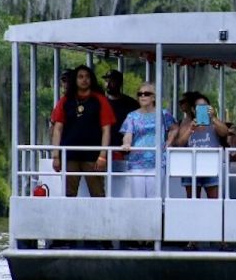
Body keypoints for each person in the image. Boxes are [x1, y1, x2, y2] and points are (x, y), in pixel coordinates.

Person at [50, 65, 115, 197]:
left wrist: (102, 155)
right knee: (69, 193)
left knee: (97, 193)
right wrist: (56, 155)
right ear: (75, 80)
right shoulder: (65, 101)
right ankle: (68, 218)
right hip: (70, 154)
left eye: (87, 77)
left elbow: (106, 129)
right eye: (80, 77)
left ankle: (100, 218)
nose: (84, 80)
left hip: (93, 155)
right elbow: (57, 129)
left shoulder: (99, 100)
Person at [119, 82, 178, 198]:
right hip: (136, 162)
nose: (142, 96)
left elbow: (174, 128)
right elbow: (128, 134)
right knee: (138, 198)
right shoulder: (132, 116)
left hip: (157, 161)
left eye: (146, 94)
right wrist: (126, 144)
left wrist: (169, 141)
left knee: (154, 198)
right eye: (140, 94)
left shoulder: (163, 114)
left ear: (153, 97)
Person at [175, 92, 228, 198]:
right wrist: (190, 130)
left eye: (205, 107)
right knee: (192, 199)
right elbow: (179, 144)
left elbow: (225, 132)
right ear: (194, 110)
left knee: (214, 199)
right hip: (191, 166)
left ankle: (214, 215)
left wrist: (213, 118)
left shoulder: (214, 124)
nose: (202, 109)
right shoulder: (186, 124)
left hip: (211, 165)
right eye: (199, 107)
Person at [103, 69, 139, 196]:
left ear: (119, 83)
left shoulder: (131, 104)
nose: (108, 84)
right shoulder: (101, 102)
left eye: (111, 80)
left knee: (123, 185)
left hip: (125, 151)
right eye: (106, 80)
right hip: (104, 150)